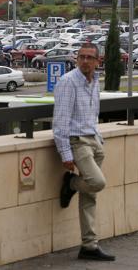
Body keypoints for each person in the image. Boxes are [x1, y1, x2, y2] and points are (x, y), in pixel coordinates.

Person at [53, 42, 115, 262]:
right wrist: (66, 155)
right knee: (97, 183)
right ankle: (70, 184)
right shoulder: (68, 82)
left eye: (90, 57)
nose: (85, 61)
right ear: (76, 59)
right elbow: (60, 122)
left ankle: (89, 245)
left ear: (98, 61)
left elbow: (93, 114)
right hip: (77, 142)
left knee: (90, 196)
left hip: (94, 141)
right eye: (82, 57)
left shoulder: (94, 82)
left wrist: (98, 138)